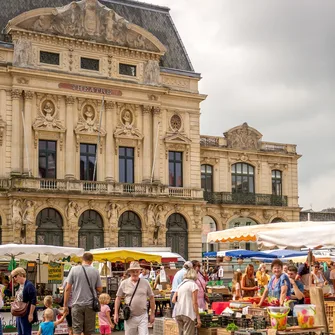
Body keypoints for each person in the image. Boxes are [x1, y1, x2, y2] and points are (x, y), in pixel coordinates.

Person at [63, 253, 102, 335]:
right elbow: (100, 289)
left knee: (77, 331)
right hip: (90, 305)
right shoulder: (95, 271)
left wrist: (65, 305)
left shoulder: (74, 269)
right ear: (91, 261)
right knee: (88, 331)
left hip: (77, 304)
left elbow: (67, 288)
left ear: (82, 259)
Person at [114, 261, 155, 335]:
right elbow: (118, 298)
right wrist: (116, 313)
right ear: (129, 272)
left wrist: (152, 313)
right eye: (133, 271)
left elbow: (152, 298)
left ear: (140, 271)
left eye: (137, 271)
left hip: (142, 315)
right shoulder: (124, 283)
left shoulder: (145, 283)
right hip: (130, 316)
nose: (135, 273)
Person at [172, 268, 201, 335]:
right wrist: (198, 318)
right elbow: (195, 302)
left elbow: (173, 300)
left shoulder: (180, 285)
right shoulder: (193, 285)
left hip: (178, 313)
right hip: (188, 313)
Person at [11, 267, 38, 335]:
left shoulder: (29, 285)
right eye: (13, 277)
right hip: (20, 313)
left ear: (21, 274)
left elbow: (33, 300)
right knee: (20, 332)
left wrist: (31, 314)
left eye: (15, 276)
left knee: (26, 332)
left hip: (26, 313)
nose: (14, 278)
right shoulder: (20, 285)